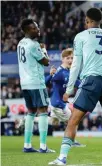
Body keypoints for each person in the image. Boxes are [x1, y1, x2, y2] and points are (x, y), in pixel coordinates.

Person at [49, 8, 102, 165]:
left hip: (91, 80)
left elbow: (75, 65)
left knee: (73, 120)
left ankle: (62, 158)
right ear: (101, 21)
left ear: (87, 21)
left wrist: (69, 90)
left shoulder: (81, 36)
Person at [17, 19, 54, 153]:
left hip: (25, 83)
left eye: (37, 27)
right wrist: (44, 49)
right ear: (27, 30)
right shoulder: (34, 45)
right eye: (34, 28)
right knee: (43, 110)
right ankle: (43, 146)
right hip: (36, 82)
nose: (37, 29)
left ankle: (27, 145)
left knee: (31, 112)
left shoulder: (20, 43)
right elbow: (46, 62)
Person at [45, 48, 85, 147]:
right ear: (62, 59)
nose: (70, 60)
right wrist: (50, 75)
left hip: (58, 103)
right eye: (68, 58)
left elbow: (77, 83)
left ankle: (28, 120)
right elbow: (45, 83)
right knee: (73, 121)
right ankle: (71, 141)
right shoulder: (59, 72)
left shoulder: (69, 71)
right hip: (58, 104)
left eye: (72, 58)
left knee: (53, 122)